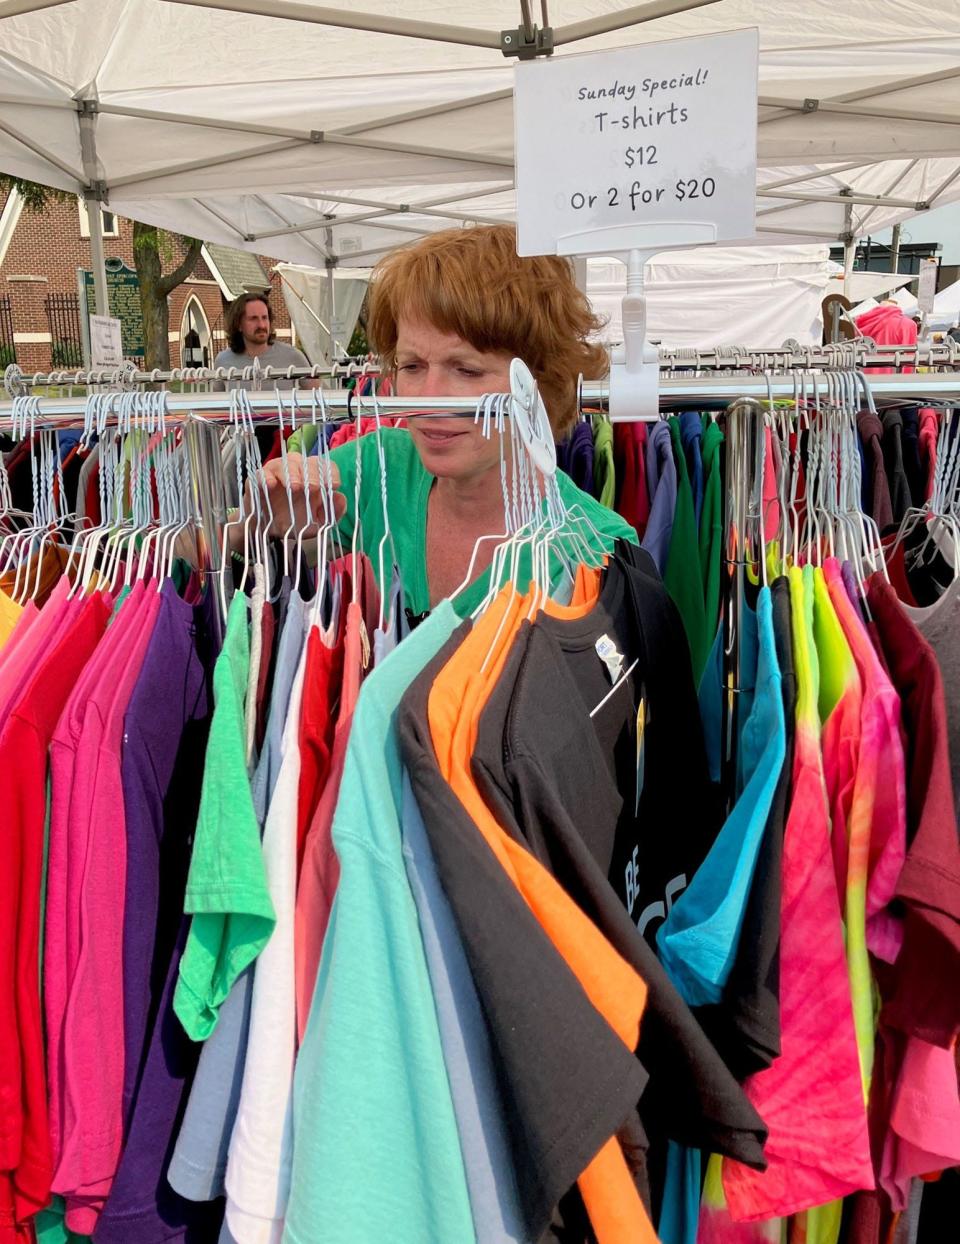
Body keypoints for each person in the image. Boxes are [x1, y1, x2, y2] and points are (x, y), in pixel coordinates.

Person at [252, 225, 634, 615]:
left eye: (467, 370)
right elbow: (207, 542)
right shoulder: (381, 468)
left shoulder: (599, 552)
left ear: (542, 382)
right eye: (412, 366)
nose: (428, 398)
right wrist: (262, 518)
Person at [213, 290, 316, 390]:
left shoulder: (293, 356)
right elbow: (215, 405)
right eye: (253, 319)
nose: (261, 325)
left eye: (264, 318)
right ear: (238, 324)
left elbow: (319, 399)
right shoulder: (223, 360)